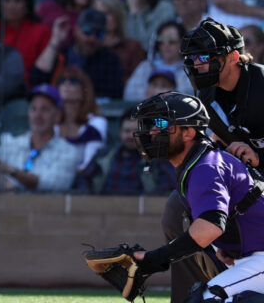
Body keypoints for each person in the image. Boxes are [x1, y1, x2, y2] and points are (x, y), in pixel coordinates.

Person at [163, 19, 264, 302]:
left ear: (233, 57)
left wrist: (259, 156)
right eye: (192, 59)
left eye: (204, 57)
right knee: (175, 210)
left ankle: (235, 289)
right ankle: (196, 295)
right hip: (245, 188)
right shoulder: (204, 95)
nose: (196, 64)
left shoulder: (262, 85)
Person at [130, 91, 264, 303]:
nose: (154, 130)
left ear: (188, 133)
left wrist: (156, 258)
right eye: (152, 124)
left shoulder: (205, 167)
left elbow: (209, 227)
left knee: (208, 298)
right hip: (254, 258)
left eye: (163, 124)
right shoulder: (200, 162)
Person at [0, 84, 77, 193]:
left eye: (45, 109)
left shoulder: (68, 151)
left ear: (57, 115)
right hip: (5, 207)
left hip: (46, 208)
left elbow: (51, 185)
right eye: (33, 109)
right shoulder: (9, 143)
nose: (38, 115)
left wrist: (11, 170)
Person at [33, 8, 124, 99]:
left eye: (99, 34)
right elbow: (36, 80)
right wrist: (55, 41)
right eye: (87, 31)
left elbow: (113, 95)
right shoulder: (62, 54)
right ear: (76, 30)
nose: (92, 38)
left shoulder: (110, 60)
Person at [87, 108, 175, 195]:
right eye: (127, 131)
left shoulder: (157, 159)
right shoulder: (102, 156)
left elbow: (167, 189)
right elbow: (84, 181)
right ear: (119, 133)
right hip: (104, 207)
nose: (131, 135)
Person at [0, 0, 51, 85]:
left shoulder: (41, 32)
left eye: (18, 0)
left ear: (26, 4)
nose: (12, 5)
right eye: (7, 0)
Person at [55, 67, 106, 174]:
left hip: (81, 182)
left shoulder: (97, 122)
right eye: (62, 81)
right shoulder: (52, 121)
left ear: (84, 90)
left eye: (73, 81)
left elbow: (90, 163)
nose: (66, 84)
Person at [125, 21, 193, 100]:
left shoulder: (190, 68)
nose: (166, 44)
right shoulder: (145, 66)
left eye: (172, 40)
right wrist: (149, 98)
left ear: (183, 43)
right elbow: (129, 94)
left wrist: (169, 96)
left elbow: (194, 96)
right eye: (161, 40)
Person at [95, 0, 145, 81]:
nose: (103, 18)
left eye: (107, 14)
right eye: (99, 14)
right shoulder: (89, 45)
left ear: (117, 16)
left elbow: (136, 82)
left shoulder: (133, 47)